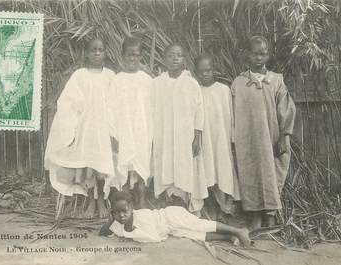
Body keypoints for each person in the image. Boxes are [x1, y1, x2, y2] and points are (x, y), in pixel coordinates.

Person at [44, 38, 116, 218]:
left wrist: (114, 131)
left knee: (101, 167)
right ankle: (91, 200)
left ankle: (101, 200)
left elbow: (117, 105)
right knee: (88, 165)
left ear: (105, 52)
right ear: (86, 53)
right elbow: (68, 103)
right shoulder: (79, 76)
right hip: (86, 128)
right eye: (93, 50)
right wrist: (71, 130)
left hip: (104, 129)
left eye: (100, 49)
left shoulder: (111, 76)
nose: (97, 53)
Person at [231, 36, 296, 229]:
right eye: (255, 53)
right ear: (247, 55)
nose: (260, 57)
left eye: (264, 53)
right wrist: (234, 139)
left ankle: (271, 215)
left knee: (272, 172)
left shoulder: (276, 81)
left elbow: (285, 108)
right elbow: (233, 114)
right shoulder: (239, 83)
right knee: (250, 173)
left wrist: (284, 136)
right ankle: (255, 216)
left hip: (272, 138)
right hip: (248, 140)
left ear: (268, 55)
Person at [152, 44, 208, 214]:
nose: (175, 58)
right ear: (164, 59)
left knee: (184, 165)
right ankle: (169, 198)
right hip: (164, 134)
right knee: (166, 164)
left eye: (179, 55)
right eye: (171, 55)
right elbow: (151, 109)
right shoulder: (157, 84)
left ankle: (183, 199)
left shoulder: (191, 84)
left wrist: (197, 136)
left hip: (185, 136)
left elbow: (199, 111)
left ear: (184, 60)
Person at [99, 191, 250, 247]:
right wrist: (111, 220)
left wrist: (131, 233)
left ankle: (238, 230)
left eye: (124, 211)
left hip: (171, 216)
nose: (121, 216)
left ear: (132, 208)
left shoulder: (141, 216)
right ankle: (229, 236)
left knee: (200, 225)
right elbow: (103, 232)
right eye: (116, 213)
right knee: (196, 235)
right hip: (170, 228)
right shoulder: (118, 223)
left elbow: (154, 238)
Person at [108, 36, 153, 209]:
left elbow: (151, 108)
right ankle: (125, 201)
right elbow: (110, 109)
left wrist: (151, 132)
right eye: (129, 55)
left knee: (141, 163)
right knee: (124, 162)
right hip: (123, 129)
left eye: (136, 55)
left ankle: (141, 198)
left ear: (141, 56)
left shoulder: (147, 80)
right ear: (122, 55)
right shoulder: (117, 80)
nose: (132, 59)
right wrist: (113, 134)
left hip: (142, 129)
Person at [195, 53, 241, 217]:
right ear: (196, 72)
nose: (205, 74)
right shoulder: (195, 91)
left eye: (208, 70)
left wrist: (232, 139)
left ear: (214, 70)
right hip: (204, 140)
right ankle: (210, 207)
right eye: (201, 71)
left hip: (221, 139)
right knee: (207, 170)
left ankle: (225, 209)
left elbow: (231, 117)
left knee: (222, 170)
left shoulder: (224, 90)